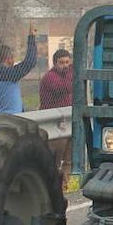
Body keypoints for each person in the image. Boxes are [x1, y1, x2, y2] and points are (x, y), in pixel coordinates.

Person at [0, 26, 39, 114]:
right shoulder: (9, 74)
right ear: (9, 59)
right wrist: (31, 37)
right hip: (10, 119)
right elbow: (30, 62)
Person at [40, 49, 75, 189]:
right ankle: (51, 186)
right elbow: (65, 87)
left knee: (70, 159)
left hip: (68, 120)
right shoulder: (50, 77)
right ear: (54, 63)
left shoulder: (69, 74)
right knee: (55, 158)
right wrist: (73, 71)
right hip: (54, 123)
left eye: (67, 62)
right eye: (61, 63)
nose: (65, 66)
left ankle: (69, 185)